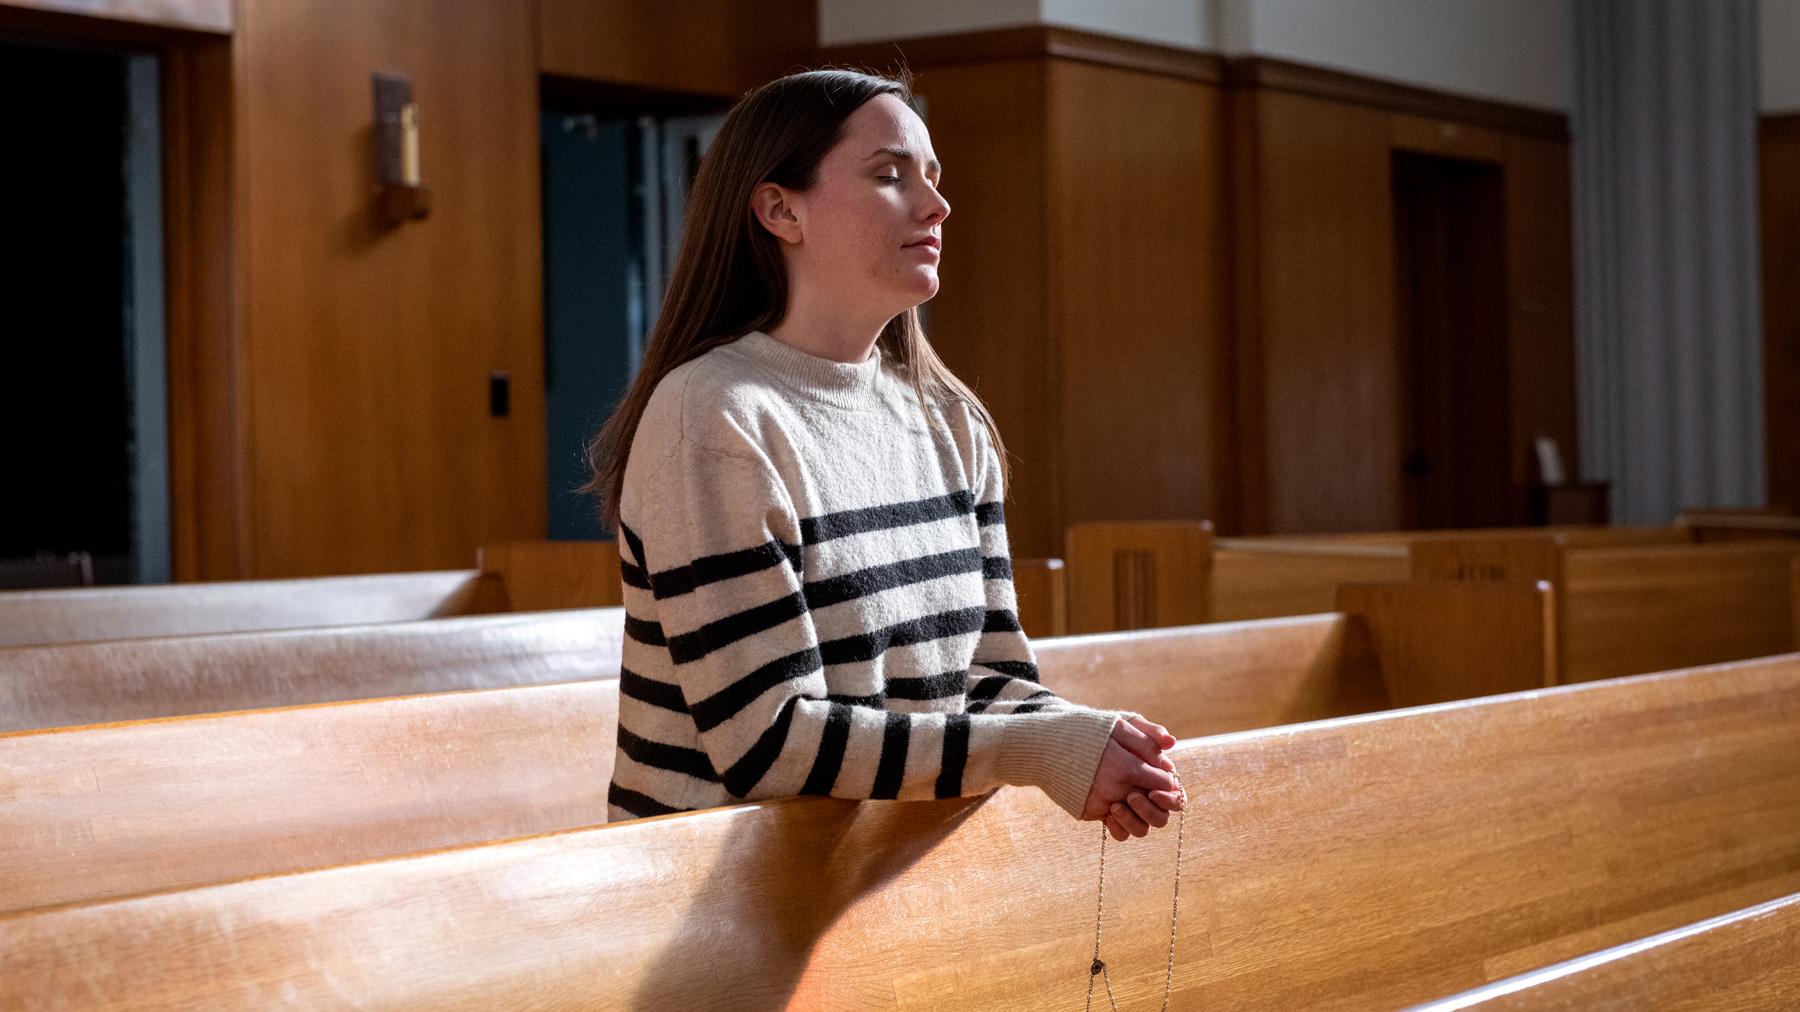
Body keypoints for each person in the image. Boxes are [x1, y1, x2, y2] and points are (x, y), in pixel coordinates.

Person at [586, 68, 1184, 842]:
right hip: (706, 901)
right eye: (889, 176)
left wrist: (1096, 742)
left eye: (932, 179)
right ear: (780, 210)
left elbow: (989, 677)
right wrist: (1033, 747)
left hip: (875, 878)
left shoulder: (948, 419)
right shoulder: (715, 415)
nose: (937, 206)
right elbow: (768, 744)